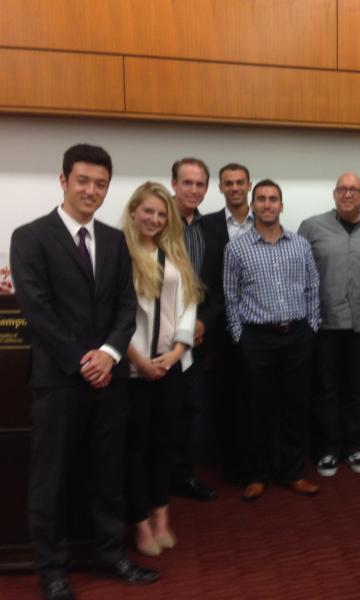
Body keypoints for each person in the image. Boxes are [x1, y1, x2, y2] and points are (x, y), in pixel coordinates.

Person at [10, 144, 158, 600]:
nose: (91, 190)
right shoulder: (30, 237)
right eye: (83, 181)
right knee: (50, 479)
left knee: (106, 474)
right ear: (63, 181)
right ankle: (51, 570)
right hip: (58, 382)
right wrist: (84, 360)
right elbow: (38, 311)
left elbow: (125, 307)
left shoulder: (114, 241)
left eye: (100, 184)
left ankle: (109, 553)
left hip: (108, 382)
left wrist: (111, 354)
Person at [223, 178, 321, 501]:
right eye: (261, 199)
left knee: (295, 407)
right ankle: (258, 474)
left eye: (273, 199)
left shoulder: (300, 244)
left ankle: (293, 473)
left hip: (297, 336)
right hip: (257, 339)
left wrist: (311, 328)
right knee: (257, 408)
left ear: (282, 205)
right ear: (252, 206)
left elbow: (312, 289)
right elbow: (230, 297)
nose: (267, 204)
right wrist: (240, 337)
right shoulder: (236, 248)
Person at [121, 182, 203, 557]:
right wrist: (139, 360)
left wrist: (175, 353)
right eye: (148, 211)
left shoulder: (175, 253)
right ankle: (139, 523)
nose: (154, 219)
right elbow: (114, 315)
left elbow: (189, 304)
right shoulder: (120, 253)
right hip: (134, 371)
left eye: (161, 213)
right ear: (134, 211)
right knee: (135, 448)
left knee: (164, 444)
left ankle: (162, 517)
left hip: (172, 366)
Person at [298, 172, 360, 477]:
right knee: (325, 389)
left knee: (357, 390)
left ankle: (354, 447)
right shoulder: (311, 228)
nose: (347, 194)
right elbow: (300, 274)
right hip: (323, 325)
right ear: (334, 194)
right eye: (342, 189)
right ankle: (326, 451)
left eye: (354, 190)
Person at [169, 157, 223, 501]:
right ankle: (156, 481)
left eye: (200, 184)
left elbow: (218, 289)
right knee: (159, 413)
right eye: (187, 182)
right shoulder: (156, 222)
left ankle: (185, 475)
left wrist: (203, 322)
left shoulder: (214, 230)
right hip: (157, 340)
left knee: (192, 410)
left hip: (198, 339)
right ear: (173, 184)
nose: (193, 189)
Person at [202, 162, 254, 486]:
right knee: (225, 396)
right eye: (228, 183)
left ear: (249, 185)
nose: (234, 188)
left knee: (259, 396)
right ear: (219, 189)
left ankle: (259, 461)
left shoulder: (265, 220)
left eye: (240, 182)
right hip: (218, 326)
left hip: (259, 324)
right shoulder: (205, 225)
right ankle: (232, 466)